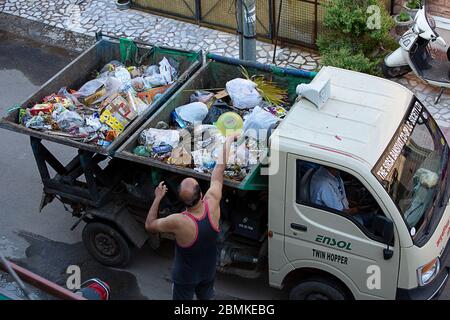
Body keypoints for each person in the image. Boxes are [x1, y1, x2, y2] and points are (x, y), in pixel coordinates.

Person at [144, 132, 239, 300]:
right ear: (201, 194)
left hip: (185, 278)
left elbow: (150, 225)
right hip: (208, 271)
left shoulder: (178, 221)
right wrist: (230, 139)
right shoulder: (212, 203)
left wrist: (158, 198)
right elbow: (219, 169)